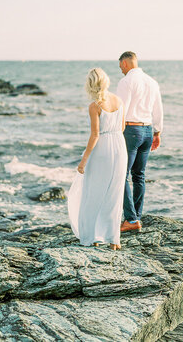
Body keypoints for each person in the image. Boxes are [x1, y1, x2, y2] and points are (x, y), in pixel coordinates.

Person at [68, 68, 127, 250]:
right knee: (115, 194)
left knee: (93, 192)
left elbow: (95, 135)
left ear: (90, 85)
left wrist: (83, 160)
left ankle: (92, 237)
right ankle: (114, 240)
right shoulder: (119, 100)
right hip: (120, 146)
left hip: (102, 149)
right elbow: (123, 127)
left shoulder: (95, 106)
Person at [116, 51, 163, 233]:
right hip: (148, 130)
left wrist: (115, 132)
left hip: (131, 130)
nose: (121, 70)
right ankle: (136, 216)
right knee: (139, 176)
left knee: (122, 175)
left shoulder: (126, 81)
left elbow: (122, 108)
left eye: (121, 67)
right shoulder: (152, 82)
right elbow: (158, 109)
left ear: (126, 64)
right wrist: (158, 132)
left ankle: (131, 219)